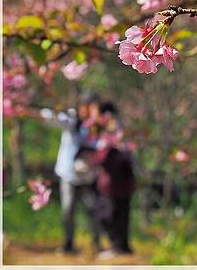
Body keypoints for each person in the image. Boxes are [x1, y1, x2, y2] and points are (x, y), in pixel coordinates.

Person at [39, 91, 102, 254]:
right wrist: (32, 112)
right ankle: (68, 244)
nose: (89, 111)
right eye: (88, 107)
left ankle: (97, 244)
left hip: (88, 176)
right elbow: (51, 118)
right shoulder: (71, 119)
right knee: (68, 210)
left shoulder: (98, 126)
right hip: (69, 175)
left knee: (93, 210)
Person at [92, 101, 136, 256]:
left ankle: (118, 247)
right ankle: (122, 246)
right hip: (121, 183)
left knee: (110, 216)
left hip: (113, 184)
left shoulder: (109, 135)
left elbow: (102, 158)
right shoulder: (117, 132)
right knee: (119, 216)